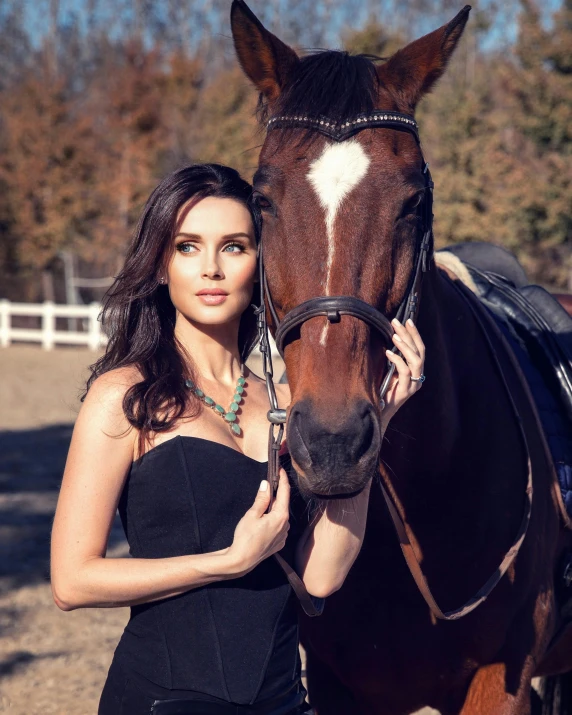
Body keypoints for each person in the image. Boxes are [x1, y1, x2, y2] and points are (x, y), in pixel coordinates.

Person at [50, 164, 425, 715]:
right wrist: (227, 562)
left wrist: (380, 426)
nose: (211, 269)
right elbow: (72, 580)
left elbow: (320, 576)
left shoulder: (286, 401)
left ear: (263, 265)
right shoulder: (124, 397)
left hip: (283, 703)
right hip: (163, 702)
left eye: (233, 247)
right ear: (160, 264)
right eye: (187, 246)